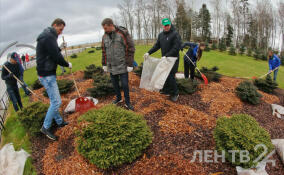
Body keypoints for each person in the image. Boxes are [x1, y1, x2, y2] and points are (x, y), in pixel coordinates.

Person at [36, 18, 72, 140]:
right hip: (47, 75)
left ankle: (59, 121)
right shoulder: (48, 37)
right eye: (60, 29)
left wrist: (60, 47)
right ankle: (45, 127)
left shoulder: (48, 36)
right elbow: (56, 56)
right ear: (55, 25)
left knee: (53, 101)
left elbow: (52, 51)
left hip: (45, 73)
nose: (61, 32)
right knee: (57, 102)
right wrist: (67, 64)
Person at [101, 18, 135, 110]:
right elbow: (104, 51)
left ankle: (128, 102)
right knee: (115, 84)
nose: (104, 30)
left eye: (105, 28)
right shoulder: (104, 37)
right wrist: (104, 64)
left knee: (124, 85)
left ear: (111, 25)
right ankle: (119, 98)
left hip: (122, 65)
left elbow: (130, 48)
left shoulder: (122, 34)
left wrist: (130, 64)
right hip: (111, 65)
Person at [144, 18, 181, 102]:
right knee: (165, 75)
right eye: (165, 25)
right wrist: (148, 53)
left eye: (167, 25)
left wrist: (167, 55)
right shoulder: (161, 35)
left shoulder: (175, 34)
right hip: (165, 59)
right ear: (163, 26)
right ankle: (167, 90)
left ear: (170, 25)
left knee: (171, 76)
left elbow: (176, 48)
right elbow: (157, 46)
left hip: (173, 59)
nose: (166, 27)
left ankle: (175, 93)